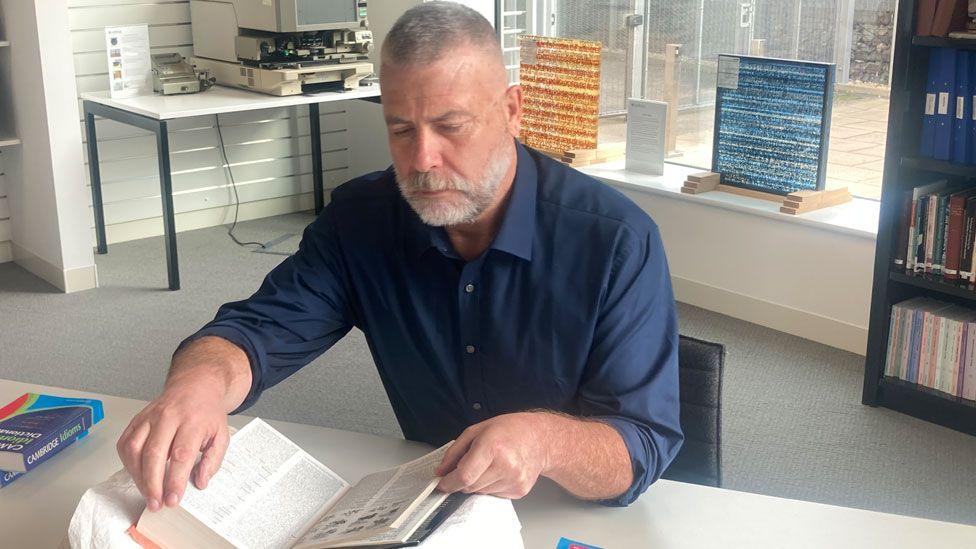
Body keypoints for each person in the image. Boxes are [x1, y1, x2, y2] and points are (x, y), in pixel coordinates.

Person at [117, 1, 682, 513]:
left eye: (450, 126)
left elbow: (641, 445)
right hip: (432, 506)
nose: (423, 159)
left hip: (569, 511)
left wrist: (541, 439)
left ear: (512, 110)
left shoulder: (615, 241)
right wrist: (200, 384)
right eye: (401, 129)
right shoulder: (362, 220)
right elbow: (258, 330)